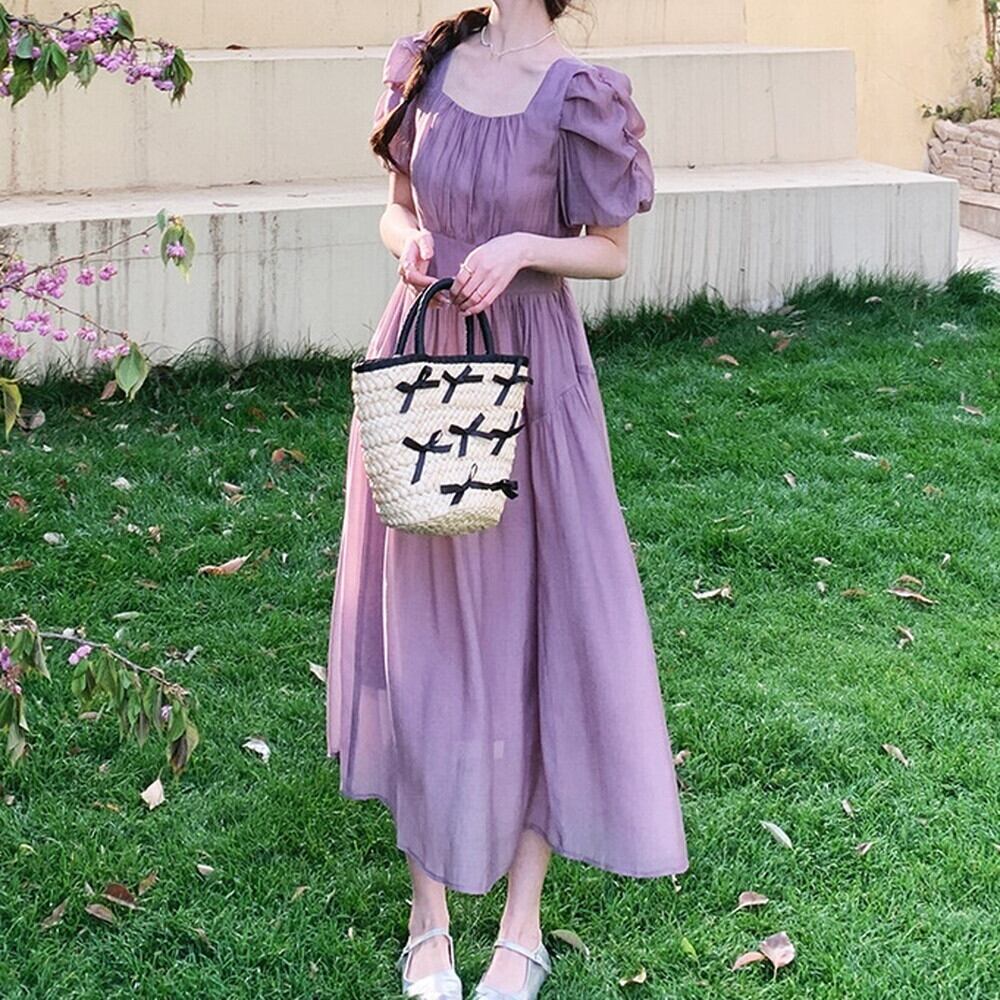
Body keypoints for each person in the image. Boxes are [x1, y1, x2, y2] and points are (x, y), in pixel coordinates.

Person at [326, 3, 689, 997]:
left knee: (539, 636)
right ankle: (428, 922)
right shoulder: (429, 61)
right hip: (422, 364)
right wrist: (410, 241)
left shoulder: (581, 94)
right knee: (422, 638)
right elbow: (394, 208)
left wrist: (522, 246)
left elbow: (610, 249)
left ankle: (520, 932)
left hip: (534, 379)